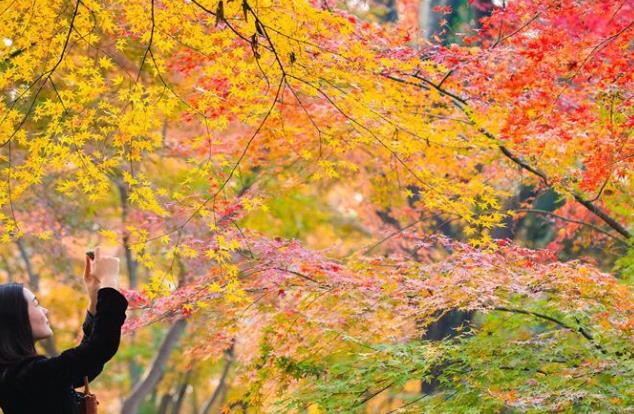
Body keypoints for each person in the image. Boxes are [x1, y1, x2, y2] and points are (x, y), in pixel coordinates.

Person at [0, 246, 128, 413]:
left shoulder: (20, 376)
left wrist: (95, 297)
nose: (45, 310)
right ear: (16, 317)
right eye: (36, 304)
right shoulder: (28, 377)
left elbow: (85, 367)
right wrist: (110, 281)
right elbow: (98, 349)